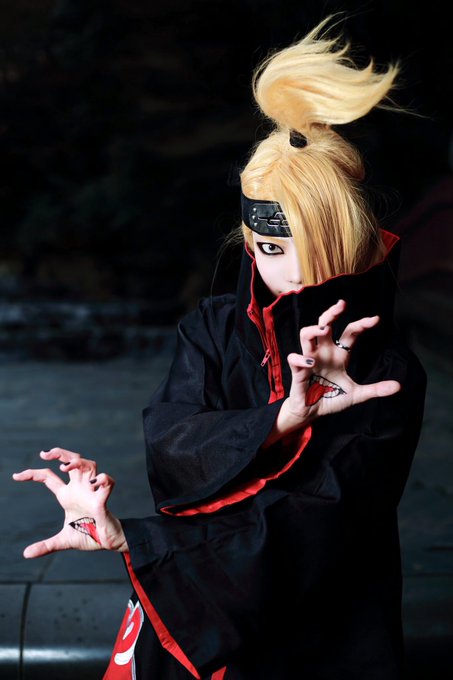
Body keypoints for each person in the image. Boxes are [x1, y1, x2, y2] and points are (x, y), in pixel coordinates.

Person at [13, 15, 427, 680]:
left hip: (323, 632)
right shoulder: (211, 327)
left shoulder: (382, 369)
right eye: (267, 248)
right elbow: (171, 439)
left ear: (344, 237)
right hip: (192, 598)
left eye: (304, 246)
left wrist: (138, 541)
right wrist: (281, 417)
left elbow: (319, 524)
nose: (285, 269)